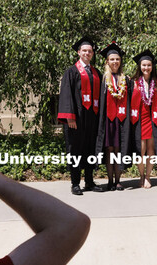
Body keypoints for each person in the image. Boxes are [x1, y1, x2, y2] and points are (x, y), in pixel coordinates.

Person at [58, 36, 104, 195]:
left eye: (90, 51)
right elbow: (66, 95)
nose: (87, 53)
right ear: (78, 52)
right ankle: (75, 183)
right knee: (75, 150)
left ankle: (90, 182)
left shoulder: (96, 73)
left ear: (92, 53)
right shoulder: (71, 72)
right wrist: (69, 116)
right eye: (84, 50)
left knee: (90, 149)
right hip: (76, 119)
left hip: (92, 118)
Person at [95, 42, 131, 191]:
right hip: (108, 120)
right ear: (107, 61)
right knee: (109, 150)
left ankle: (118, 180)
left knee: (119, 149)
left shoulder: (126, 80)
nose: (115, 62)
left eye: (117, 59)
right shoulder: (102, 80)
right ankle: (110, 180)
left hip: (121, 120)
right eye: (112, 59)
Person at [129, 49, 157, 189]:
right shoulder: (133, 82)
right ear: (139, 66)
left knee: (151, 150)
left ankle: (148, 176)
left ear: (152, 66)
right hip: (139, 119)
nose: (146, 68)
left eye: (149, 65)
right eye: (144, 65)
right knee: (140, 150)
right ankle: (141, 175)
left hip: (153, 118)